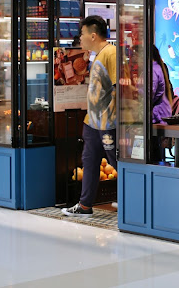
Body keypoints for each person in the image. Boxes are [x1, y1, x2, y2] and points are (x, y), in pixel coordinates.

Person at [62, 16, 117, 217]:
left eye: (82, 33)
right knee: (89, 161)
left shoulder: (111, 53)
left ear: (93, 35)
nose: (80, 38)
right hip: (93, 121)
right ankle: (85, 205)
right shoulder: (97, 55)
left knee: (116, 162)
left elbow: (119, 86)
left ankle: (132, 202)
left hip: (108, 122)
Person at [150, 46, 174, 163]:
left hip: (156, 116)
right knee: (156, 154)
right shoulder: (158, 67)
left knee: (154, 155)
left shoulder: (153, 70)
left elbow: (149, 94)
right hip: (160, 115)